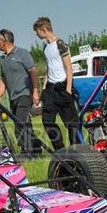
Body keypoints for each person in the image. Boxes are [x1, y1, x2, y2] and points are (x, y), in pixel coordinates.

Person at [33, 16, 79, 151]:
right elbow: (49, 67)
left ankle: (76, 150)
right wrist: (44, 86)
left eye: (37, 31)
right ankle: (60, 150)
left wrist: (68, 90)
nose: (36, 34)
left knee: (71, 124)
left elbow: (69, 68)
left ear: (44, 29)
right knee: (47, 121)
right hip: (51, 89)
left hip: (63, 87)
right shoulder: (46, 47)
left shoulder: (61, 44)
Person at [0, 28, 42, 158]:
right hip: (13, 97)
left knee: (20, 124)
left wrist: (35, 91)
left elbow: (33, 72)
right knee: (24, 124)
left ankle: (26, 152)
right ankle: (37, 148)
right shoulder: (3, 59)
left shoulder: (22, 53)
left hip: (24, 94)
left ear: (4, 41)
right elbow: (3, 79)